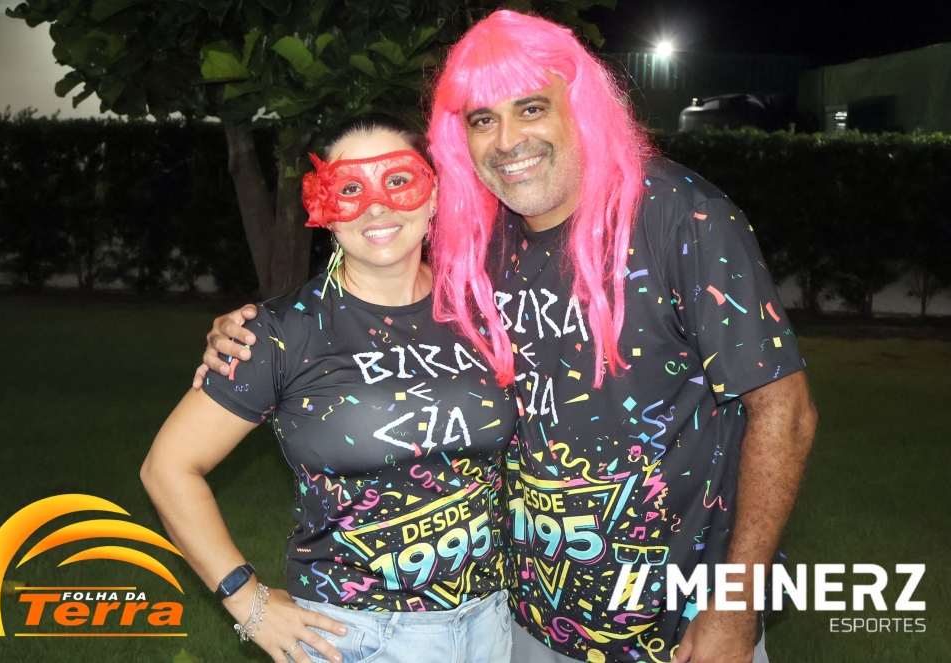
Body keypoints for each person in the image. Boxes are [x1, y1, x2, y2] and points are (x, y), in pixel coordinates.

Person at [198, 10, 818, 663]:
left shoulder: (681, 216)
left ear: (579, 107)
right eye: (482, 119)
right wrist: (251, 336)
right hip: (520, 623)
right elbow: (373, 271)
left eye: (531, 108)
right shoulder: (476, 242)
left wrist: (735, 605)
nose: (508, 139)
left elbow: (786, 412)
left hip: (674, 629)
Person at [143, 114, 518, 663]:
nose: (376, 206)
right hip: (355, 637)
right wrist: (248, 602)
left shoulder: (484, 307)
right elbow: (168, 468)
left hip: (493, 624)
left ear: (435, 193)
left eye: (398, 180)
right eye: (349, 189)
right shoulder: (280, 332)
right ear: (323, 208)